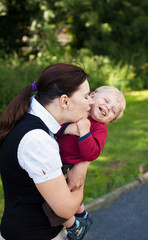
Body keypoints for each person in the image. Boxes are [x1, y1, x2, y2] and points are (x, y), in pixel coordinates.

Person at [0, 63, 94, 240]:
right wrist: (79, 179)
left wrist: (82, 162)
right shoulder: (37, 140)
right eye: (86, 96)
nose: (91, 102)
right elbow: (65, 208)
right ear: (65, 101)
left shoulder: (32, 115)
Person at [42, 86, 126, 239]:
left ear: (110, 121)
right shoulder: (77, 111)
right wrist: (69, 129)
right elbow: (56, 125)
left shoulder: (100, 128)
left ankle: (74, 227)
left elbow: (91, 154)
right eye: (106, 100)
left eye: (113, 110)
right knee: (65, 193)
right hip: (54, 155)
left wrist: (85, 131)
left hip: (67, 163)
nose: (108, 107)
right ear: (91, 96)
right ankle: (83, 215)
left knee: (55, 199)